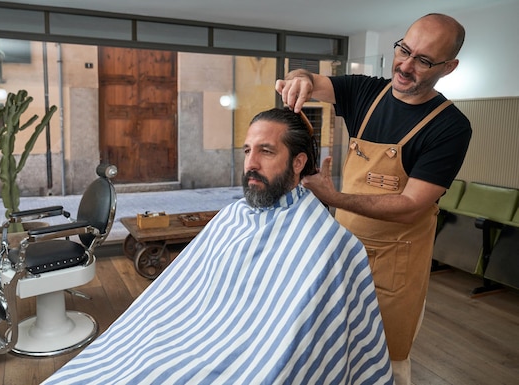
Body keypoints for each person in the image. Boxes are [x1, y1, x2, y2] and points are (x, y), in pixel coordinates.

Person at [43, 108, 393, 385]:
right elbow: (184, 294)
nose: (251, 164)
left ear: (298, 163)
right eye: (247, 150)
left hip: (248, 361)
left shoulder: (328, 244)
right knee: (128, 361)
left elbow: (301, 340)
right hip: (188, 336)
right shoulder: (234, 215)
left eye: (266, 151)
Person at [275, 13, 472, 385]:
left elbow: (411, 205)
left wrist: (334, 197)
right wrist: (299, 81)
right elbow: (310, 78)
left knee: (386, 360)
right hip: (343, 250)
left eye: (424, 60)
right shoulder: (366, 91)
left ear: (449, 67)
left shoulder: (450, 127)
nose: (406, 65)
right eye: (404, 50)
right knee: (333, 346)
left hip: (395, 264)